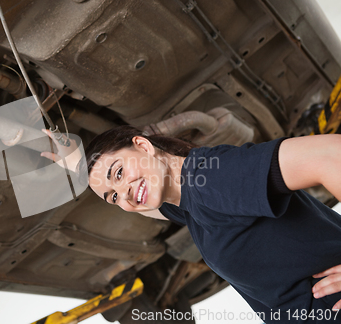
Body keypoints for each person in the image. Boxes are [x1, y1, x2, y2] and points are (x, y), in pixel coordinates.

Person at [43, 125, 341, 323]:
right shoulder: (190, 199)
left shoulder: (210, 179)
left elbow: (330, 155)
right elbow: (154, 208)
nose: (125, 196)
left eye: (118, 174)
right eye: (113, 197)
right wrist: (80, 168)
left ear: (143, 145)